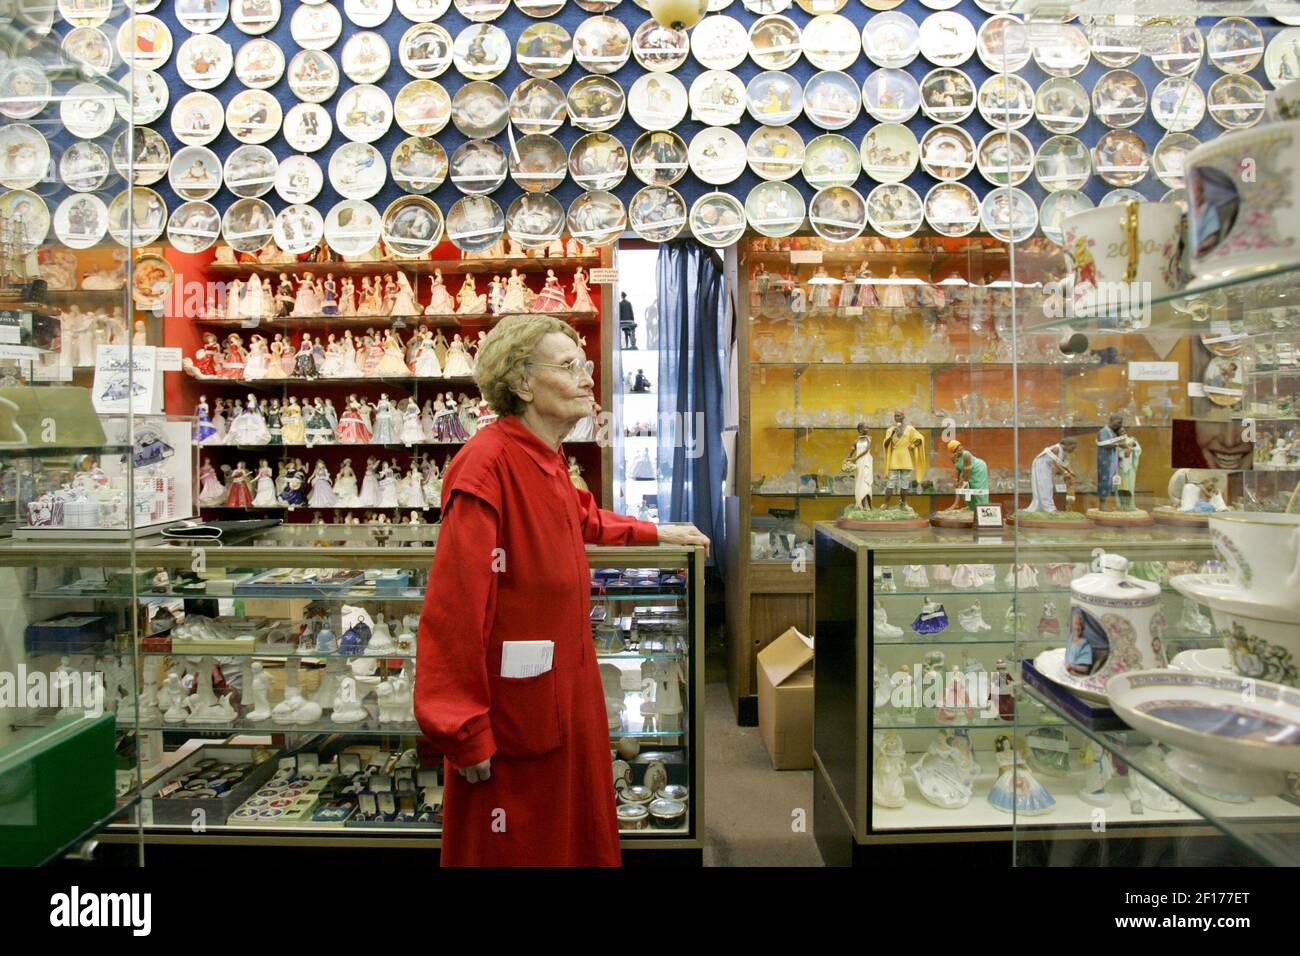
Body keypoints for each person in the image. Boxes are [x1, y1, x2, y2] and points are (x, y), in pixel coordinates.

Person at [414, 314, 709, 867]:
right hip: (512, 719)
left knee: (568, 836)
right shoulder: (486, 466)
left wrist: (656, 531)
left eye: (586, 366)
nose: (587, 377)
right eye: (569, 366)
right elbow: (453, 611)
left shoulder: (542, 458)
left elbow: (580, 518)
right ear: (522, 384)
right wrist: (462, 727)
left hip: (560, 698)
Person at [881, 409, 925, 509]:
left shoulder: (910, 429)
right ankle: (886, 504)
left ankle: (904, 504)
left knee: (905, 484)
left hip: (906, 458)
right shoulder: (890, 430)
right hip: (895, 457)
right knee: (891, 482)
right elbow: (886, 444)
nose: (897, 417)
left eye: (899, 415)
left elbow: (919, 438)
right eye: (895, 416)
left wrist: (913, 445)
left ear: (903, 417)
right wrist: (892, 434)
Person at [947, 439, 988, 510]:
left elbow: (967, 472)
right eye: (956, 448)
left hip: (978, 469)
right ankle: (972, 507)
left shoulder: (966, 455)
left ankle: (982, 507)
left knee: (977, 487)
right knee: (962, 487)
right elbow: (958, 468)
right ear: (953, 451)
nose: (960, 448)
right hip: (966, 470)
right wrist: (956, 480)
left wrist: (963, 482)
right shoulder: (953, 458)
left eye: (960, 446)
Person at [1095, 414, 1125, 510]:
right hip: (1105, 459)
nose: (1119, 425)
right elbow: (1104, 445)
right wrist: (1119, 444)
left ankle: (1105, 503)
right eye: (1118, 422)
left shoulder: (1112, 432)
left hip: (1111, 459)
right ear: (1111, 420)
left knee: (1110, 482)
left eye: (1121, 423)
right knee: (1104, 481)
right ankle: (1102, 505)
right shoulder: (1104, 431)